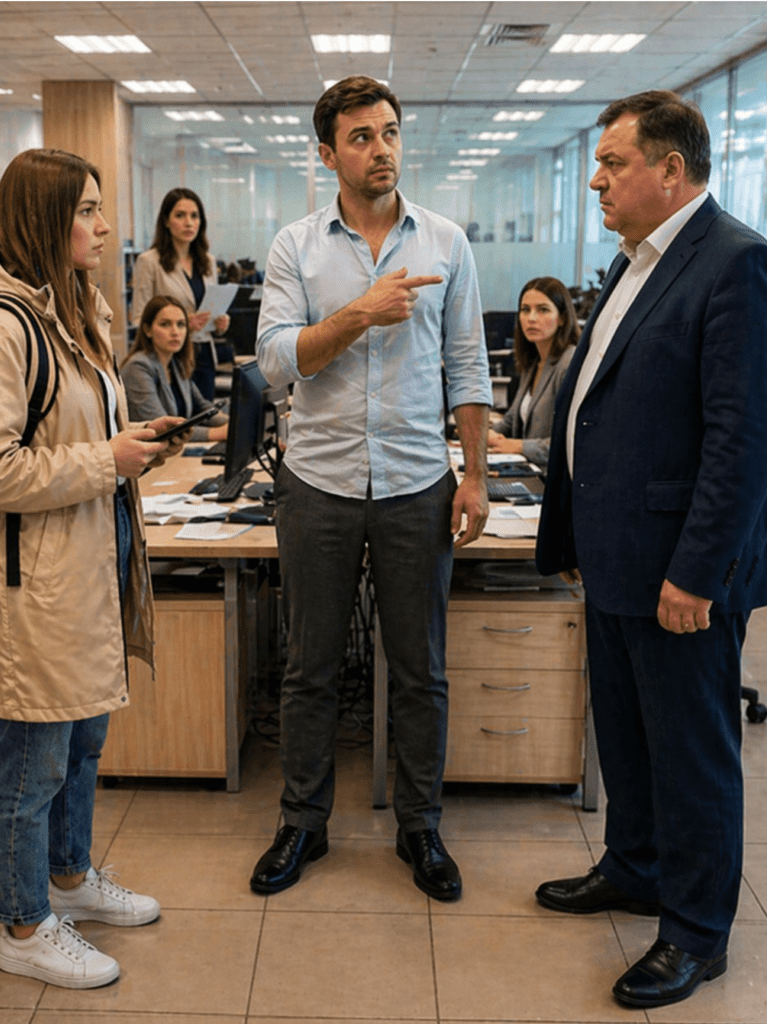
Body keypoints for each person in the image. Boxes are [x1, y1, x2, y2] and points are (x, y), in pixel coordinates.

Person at [534, 91, 767, 1010]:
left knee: (690, 751)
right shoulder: (635, 260)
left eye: (613, 164)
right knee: (627, 731)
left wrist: (696, 572)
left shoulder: (738, 264)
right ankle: (636, 866)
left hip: (680, 568)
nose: (596, 182)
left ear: (671, 170)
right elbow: (603, 403)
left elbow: (744, 441)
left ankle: (695, 930)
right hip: (618, 553)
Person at [0, 148, 187, 990]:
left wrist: (130, 450)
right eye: (85, 210)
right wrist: (103, 461)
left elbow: (77, 434)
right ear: (44, 219)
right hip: (37, 577)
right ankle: (22, 927)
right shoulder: (1, 326)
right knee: (34, 759)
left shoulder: (74, 310)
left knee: (84, 738)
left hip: (88, 554)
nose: (101, 225)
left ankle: (69, 877)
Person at [252, 76, 491, 903]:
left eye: (389, 132)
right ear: (328, 154)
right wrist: (360, 312)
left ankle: (421, 826)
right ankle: (303, 823)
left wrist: (476, 476)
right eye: (361, 137)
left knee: (421, 669)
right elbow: (276, 361)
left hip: (418, 481)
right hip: (317, 480)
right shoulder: (295, 246)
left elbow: (467, 367)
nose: (381, 148)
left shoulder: (446, 242)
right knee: (309, 666)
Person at [130, 188, 230, 401]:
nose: (189, 223)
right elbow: (139, 318)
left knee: (206, 414)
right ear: (166, 221)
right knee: (178, 417)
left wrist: (219, 323)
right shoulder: (149, 262)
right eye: (180, 215)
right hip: (170, 357)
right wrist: (182, 323)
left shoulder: (208, 262)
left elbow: (209, 309)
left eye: (194, 216)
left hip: (204, 353)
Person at [487, 276, 580, 467]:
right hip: (529, 470)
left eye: (543, 310)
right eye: (525, 310)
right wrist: (485, 435)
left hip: (552, 477)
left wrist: (518, 446)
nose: (531, 318)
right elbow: (512, 419)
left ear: (562, 318)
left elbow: (571, 441)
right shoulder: (533, 363)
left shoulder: (569, 363)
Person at [120, 294, 228, 442]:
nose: (175, 332)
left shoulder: (176, 364)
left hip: (174, 451)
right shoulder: (137, 368)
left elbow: (203, 409)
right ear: (147, 330)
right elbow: (163, 429)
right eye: (165, 324)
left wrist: (235, 423)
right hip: (148, 453)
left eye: (181, 324)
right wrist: (220, 433)